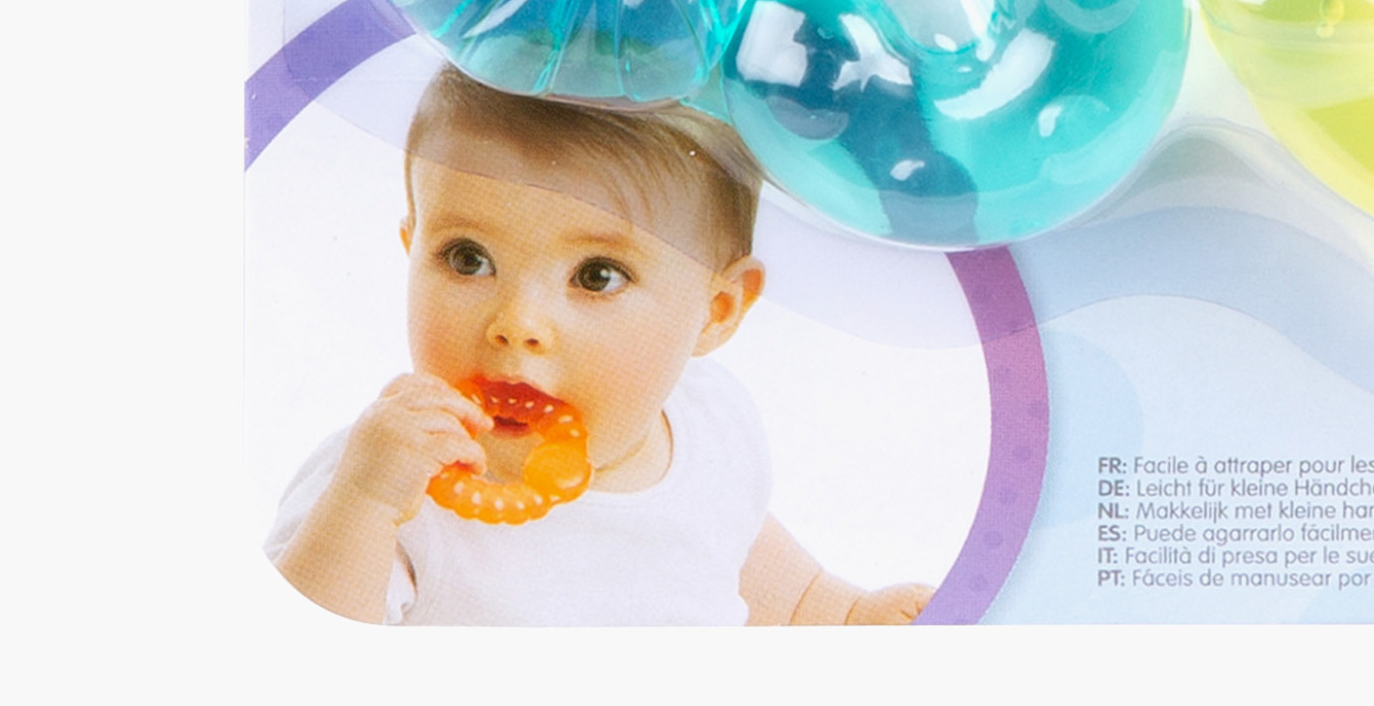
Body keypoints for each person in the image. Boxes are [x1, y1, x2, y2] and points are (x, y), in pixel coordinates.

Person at [270, 68, 932, 626]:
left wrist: (841, 612)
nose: (518, 324)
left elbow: (731, 553)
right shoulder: (385, 484)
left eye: (596, 276)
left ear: (716, 311)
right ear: (412, 249)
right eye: (468, 258)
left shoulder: (709, 427)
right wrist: (365, 504)